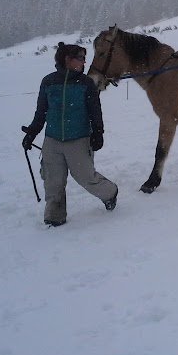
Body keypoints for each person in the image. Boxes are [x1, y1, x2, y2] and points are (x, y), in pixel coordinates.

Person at [22, 42, 118, 226]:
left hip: (79, 139)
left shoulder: (86, 83)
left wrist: (98, 132)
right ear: (67, 59)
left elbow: (95, 111)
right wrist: (32, 133)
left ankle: (110, 192)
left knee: (86, 177)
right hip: (52, 140)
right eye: (80, 58)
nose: (84, 62)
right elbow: (41, 111)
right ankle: (55, 217)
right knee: (53, 181)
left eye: (84, 58)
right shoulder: (48, 82)